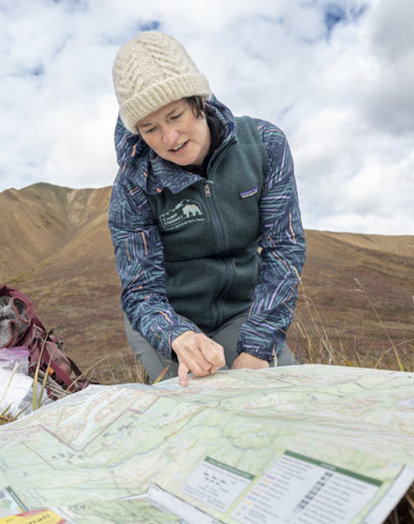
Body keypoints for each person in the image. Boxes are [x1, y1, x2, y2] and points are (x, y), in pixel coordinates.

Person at [108, 31, 306, 386]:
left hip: (243, 312)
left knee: (282, 397)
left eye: (175, 115)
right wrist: (177, 336)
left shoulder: (264, 145)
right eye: (150, 128)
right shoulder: (132, 185)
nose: (169, 139)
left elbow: (284, 249)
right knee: (202, 410)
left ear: (199, 100)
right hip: (171, 319)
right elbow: (140, 290)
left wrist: (258, 346)